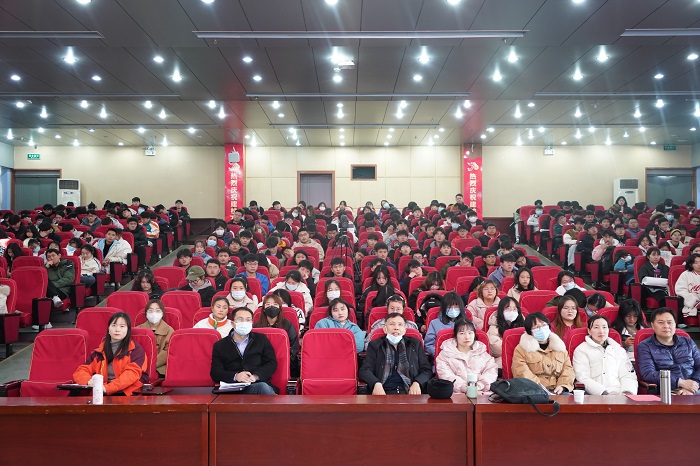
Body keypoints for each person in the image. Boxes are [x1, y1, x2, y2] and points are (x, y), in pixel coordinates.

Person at [72, 312, 148, 396]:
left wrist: (107, 388)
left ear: (128, 330)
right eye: (114, 325)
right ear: (108, 329)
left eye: (122, 326)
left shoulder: (135, 349)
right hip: (103, 391)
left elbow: (131, 375)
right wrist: (89, 381)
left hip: (128, 393)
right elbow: (81, 371)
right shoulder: (101, 350)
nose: (117, 329)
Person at [359, 312, 433, 395]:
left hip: (410, 391)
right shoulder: (375, 345)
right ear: (385, 329)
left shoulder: (415, 344)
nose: (396, 328)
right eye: (392, 324)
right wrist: (376, 383)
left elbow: (426, 370)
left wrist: (417, 382)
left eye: (400, 324)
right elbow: (365, 370)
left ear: (404, 330)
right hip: (383, 392)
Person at [210, 306, 278, 394]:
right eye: (240, 319)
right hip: (233, 389)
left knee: (262, 387)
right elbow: (215, 373)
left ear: (252, 323)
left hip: (258, 384)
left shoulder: (261, 339)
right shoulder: (220, 345)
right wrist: (236, 376)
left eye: (248, 320)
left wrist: (255, 376)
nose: (244, 323)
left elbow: (271, 363)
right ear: (232, 323)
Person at [637, 307, 700, 395]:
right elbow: (648, 373)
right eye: (660, 322)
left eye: (670, 322)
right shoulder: (645, 346)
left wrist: (693, 385)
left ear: (675, 325)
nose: (666, 326)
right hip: (668, 391)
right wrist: (679, 382)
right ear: (653, 325)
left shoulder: (688, 342)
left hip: (694, 388)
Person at [512, 312, 575, 394]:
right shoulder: (521, 349)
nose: (541, 329)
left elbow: (568, 369)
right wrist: (540, 387)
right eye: (536, 327)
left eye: (544, 325)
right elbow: (521, 372)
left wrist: (563, 385)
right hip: (534, 391)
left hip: (559, 391)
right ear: (530, 332)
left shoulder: (560, 347)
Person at [572, 315, 637, 395]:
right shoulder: (581, 350)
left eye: (604, 327)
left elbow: (628, 375)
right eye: (596, 327)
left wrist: (627, 393)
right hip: (595, 395)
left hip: (620, 394)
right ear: (589, 331)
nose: (601, 331)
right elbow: (582, 377)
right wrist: (603, 393)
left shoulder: (618, 349)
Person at [436, 318, 498, 395]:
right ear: (455, 335)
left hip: (482, 393)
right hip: (455, 395)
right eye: (462, 333)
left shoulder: (482, 352)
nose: (467, 337)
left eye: (470, 333)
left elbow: (491, 371)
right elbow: (446, 375)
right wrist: (464, 388)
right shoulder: (445, 354)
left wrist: (479, 386)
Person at [254, 294, 299, 371]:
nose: (271, 307)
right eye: (268, 304)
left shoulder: (287, 324)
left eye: (275, 304)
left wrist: (286, 359)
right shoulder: (257, 326)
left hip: (284, 360)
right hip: (262, 361)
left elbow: (294, 345)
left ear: (280, 308)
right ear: (263, 308)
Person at [136, 299, 174, 377]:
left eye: (157, 311)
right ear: (146, 314)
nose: (154, 314)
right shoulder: (138, 330)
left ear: (162, 313)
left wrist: (151, 365)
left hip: (160, 368)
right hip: (139, 367)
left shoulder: (170, 330)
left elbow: (168, 352)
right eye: (150, 311)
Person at [425, 291, 468, 356]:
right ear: (444, 308)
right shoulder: (434, 323)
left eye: (456, 306)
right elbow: (429, 345)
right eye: (449, 306)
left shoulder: (469, 324)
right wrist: (441, 355)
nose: (453, 309)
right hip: (442, 357)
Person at [486, 297, 525, 368]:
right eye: (508, 308)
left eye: (514, 309)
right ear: (501, 311)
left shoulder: (523, 325)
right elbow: (497, 350)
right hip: (502, 357)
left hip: (523, 356)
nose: (512, 311)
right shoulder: (494, 327)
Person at [674, 253, 700, 322]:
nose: (699, 264)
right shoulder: (685, 275)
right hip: (692, 303)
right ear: (691, 264)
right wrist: (695, 303)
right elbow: (681, 290)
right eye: (696, 263)